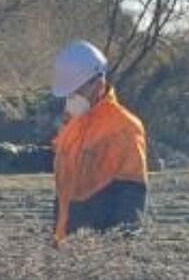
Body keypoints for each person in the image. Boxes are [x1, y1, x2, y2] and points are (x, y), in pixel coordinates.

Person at [50, 41, 148, 242]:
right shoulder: (75, 122)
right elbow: (57, 156)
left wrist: (116, 249)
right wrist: (19, 156)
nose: (71, 98)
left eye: (76, 91)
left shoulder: (123, 128)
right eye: (69, 93)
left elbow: (132, 192)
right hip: (66, 243)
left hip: (96, 252)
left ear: (98, 84)